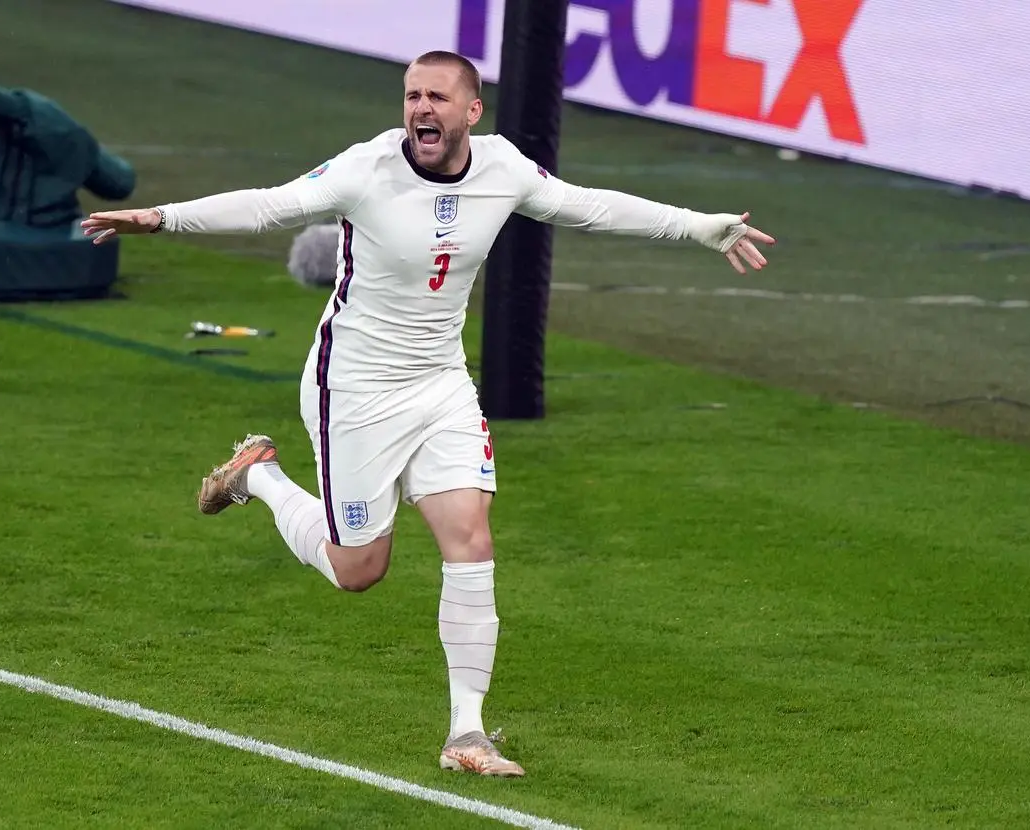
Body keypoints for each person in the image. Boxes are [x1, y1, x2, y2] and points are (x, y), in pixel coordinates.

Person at [80, 49, 775, 778]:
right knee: (359, 571)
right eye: (412, 95)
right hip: (353, 388)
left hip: (440, 384)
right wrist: (159, 218)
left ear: (471, 111)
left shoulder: (504, 170)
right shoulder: (368, 169)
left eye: (438, 97)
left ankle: (467, 735)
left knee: (470, 539)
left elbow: (590, 206)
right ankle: (260, 477)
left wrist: (700, 226)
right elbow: (267, 204)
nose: (421, 110)